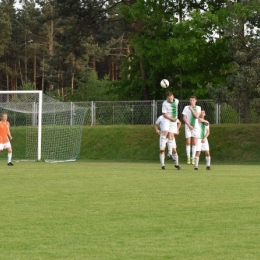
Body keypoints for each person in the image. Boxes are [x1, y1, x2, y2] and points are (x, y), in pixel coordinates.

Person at [159, 92, 181, 170]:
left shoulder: (177, 101)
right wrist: (171, 118)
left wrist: (177, 129)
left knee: (171, 135)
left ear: (173, 97)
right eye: (168, 98)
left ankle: (170, 154)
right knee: (165, 132)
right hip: (167, 120)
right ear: (166, 98)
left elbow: (179, 122)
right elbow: (164, 114)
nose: (170, 99)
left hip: (173, 121)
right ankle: (163, 165)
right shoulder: (164, 103)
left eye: (171, 98)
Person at [182, 95, 201, 165]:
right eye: (190, 100)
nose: (191, 101)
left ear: (195, 101)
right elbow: (184, 118)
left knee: (194, 142)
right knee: (188, 142)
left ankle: (193, 157)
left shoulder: (198, 107)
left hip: (195, 127)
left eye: (193, 100)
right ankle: (188, 157)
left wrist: (192, 109)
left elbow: (196, 116)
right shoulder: (186, 107)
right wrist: (189, 125)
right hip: (188, 126)